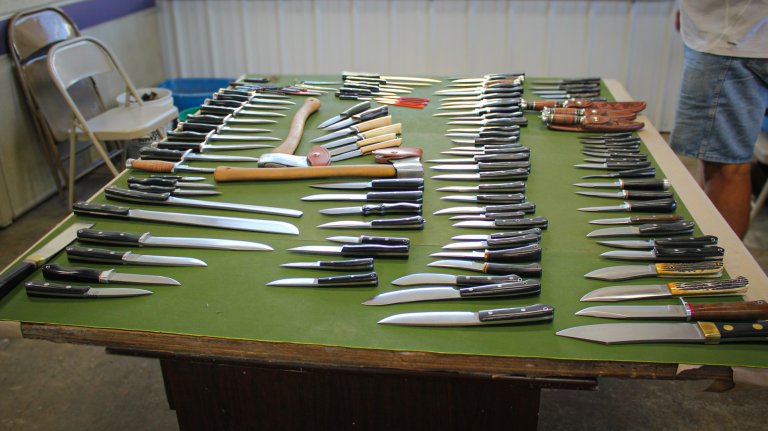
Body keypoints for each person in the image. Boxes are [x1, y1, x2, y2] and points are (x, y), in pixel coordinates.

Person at [668, 0, 768, 238]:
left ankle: (719, 260)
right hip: (733, 33)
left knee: (725, 168)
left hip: (734, 39)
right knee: (715, 160)